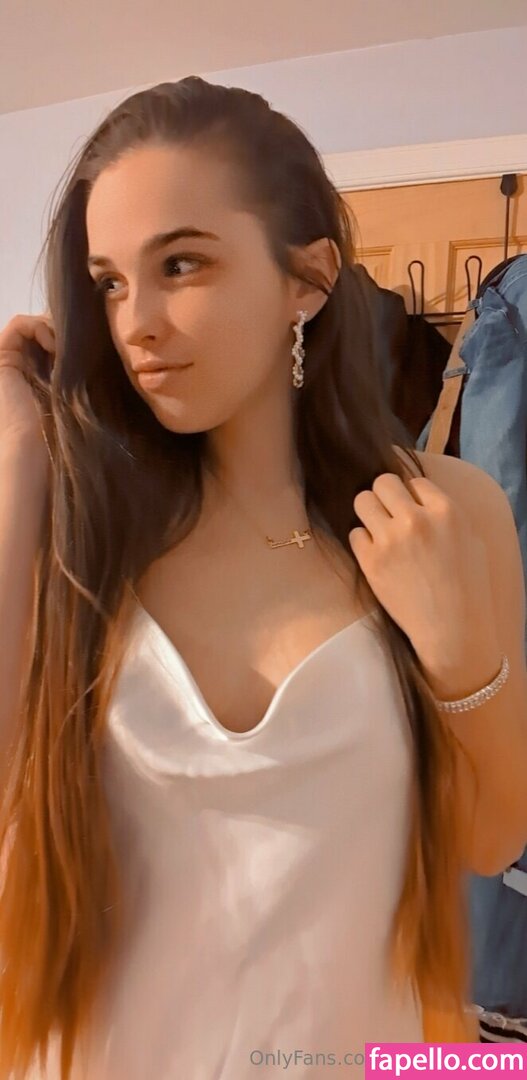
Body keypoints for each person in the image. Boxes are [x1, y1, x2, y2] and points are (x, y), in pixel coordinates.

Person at [0, 76, 526, 1080]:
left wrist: (456, 651)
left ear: (308, 281)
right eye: (109, 282)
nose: (135, 321)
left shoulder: (448, 510)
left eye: (181, 263)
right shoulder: (76, 522)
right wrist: (19, 459)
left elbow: (489, 837)